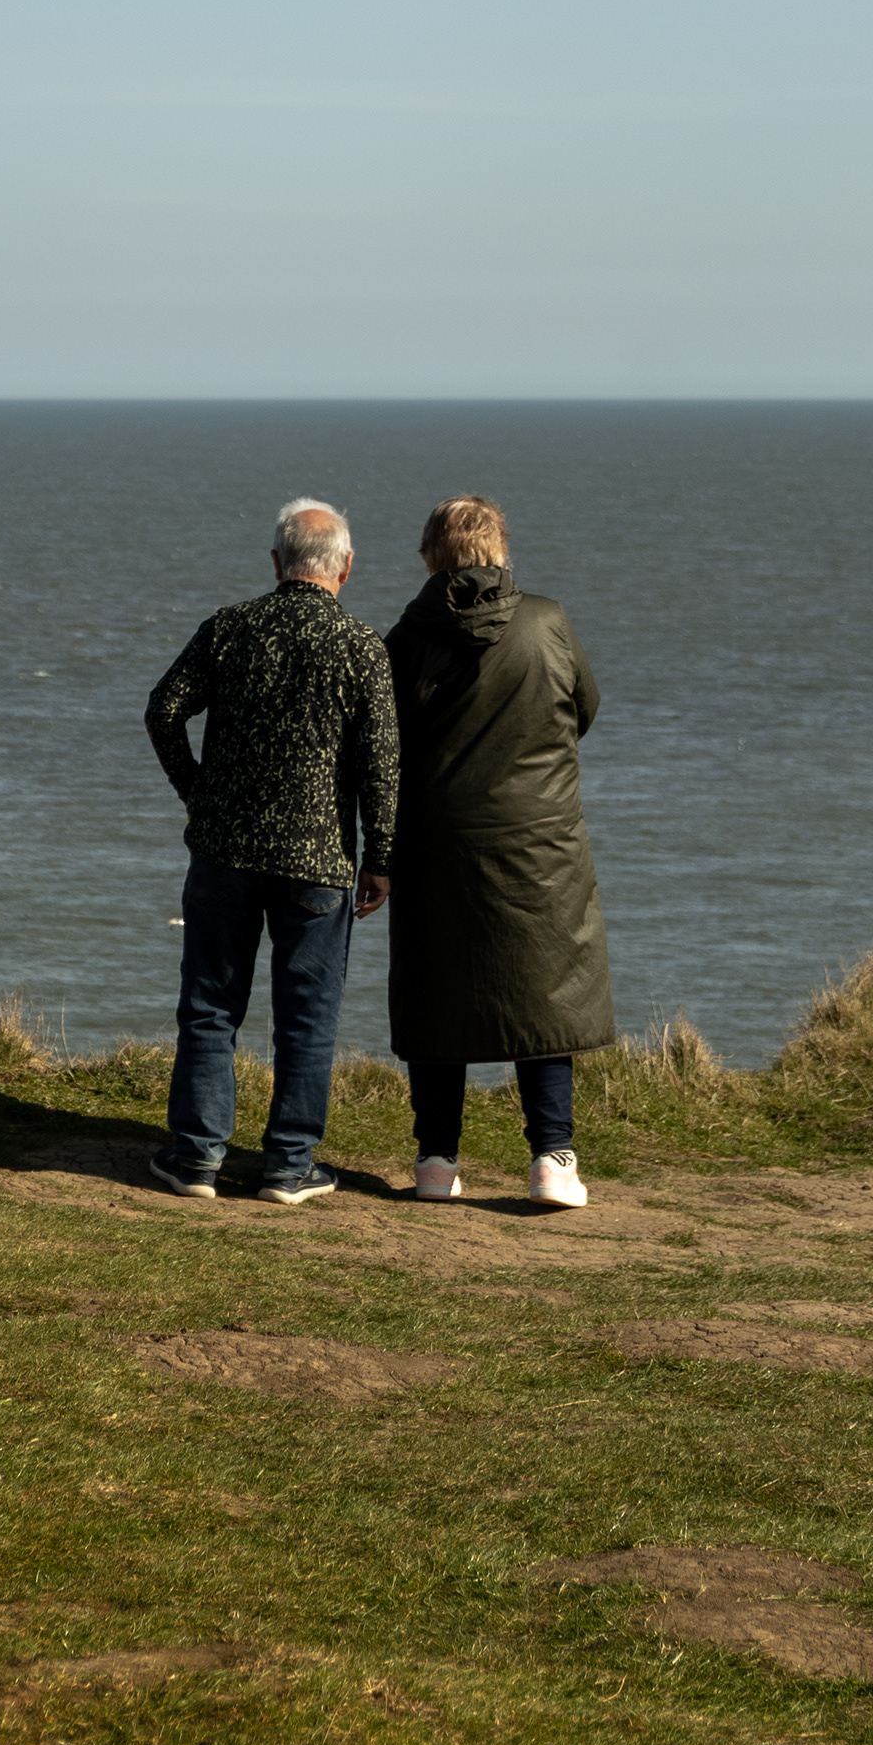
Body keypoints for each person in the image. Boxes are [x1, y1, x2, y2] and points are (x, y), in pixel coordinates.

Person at [143, 497, 397, 1205]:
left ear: (278, 563)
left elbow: (163, 710)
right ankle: (288, 1168)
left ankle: (195, 1158)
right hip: (318, 863)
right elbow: (382, 764)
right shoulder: (361, 646)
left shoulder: (230, 629)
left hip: (224, 852)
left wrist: (199, 794)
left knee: (211, 1007)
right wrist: (380, 857)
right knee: (307, 1018)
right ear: (345, 568)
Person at [384, 494, 612, 1210]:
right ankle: (552, 1157)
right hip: (540, 841)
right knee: (545, 992)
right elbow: (585, 709)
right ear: (500, 549)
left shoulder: (407, 637)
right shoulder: (547, 622)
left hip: (438, 843)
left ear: (432, 556)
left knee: (437, 994)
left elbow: (387, 748)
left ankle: (436, 1161)